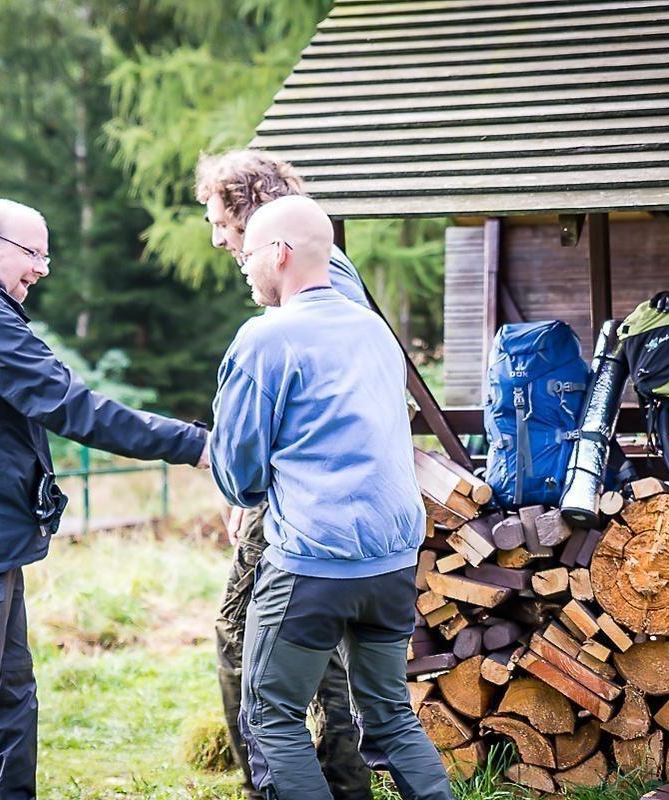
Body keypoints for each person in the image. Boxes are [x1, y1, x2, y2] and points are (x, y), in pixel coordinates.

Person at [0, 199, 209, 800]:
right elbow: (71, 406)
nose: (41, 269)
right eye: (32, 254)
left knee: (8, 690)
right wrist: (192, 444)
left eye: (46, 257)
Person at [210, 195, 452, 800]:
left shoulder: (265, 339)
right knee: (391, 718)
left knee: (272, 718)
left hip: (312, 566)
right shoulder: (377, 331)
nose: (244, 265)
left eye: (249, 253)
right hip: (392, 565)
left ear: (280, 253)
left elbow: (238, 476)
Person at [195, 149, 372, 799]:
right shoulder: (324, 269)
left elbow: (304, 395)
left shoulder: (315, 280)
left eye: (221, 221)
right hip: (318, 492)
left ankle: (270, 785)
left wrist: (249, 489)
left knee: (240, 633)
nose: (218, 239)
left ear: (252, 210)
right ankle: (341, 784)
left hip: (297, 495)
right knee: (317, 643)